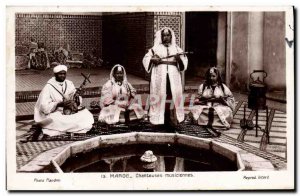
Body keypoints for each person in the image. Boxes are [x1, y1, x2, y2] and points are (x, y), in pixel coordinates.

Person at [142, 27, 188, 127]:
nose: (166, 37)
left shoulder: (177, 49)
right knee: (160, 96)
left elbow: (183, 65)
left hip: (173, 79)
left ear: (171, 36)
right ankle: (158, 120)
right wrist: (152, 60)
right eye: (164, 35)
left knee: (172, 97)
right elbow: (146, 59)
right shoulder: (155, 49)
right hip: (160, 79)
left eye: (168, 35)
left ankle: (172, 120)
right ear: (161, 37)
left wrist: (178, 59)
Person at [34, 64, 94, 137]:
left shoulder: (69, 83)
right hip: (56, 111)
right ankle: (73, 128)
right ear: (55, 74)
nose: (62, 76)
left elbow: (74, 96)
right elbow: (44, 106)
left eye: (64, 74)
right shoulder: (49, 86)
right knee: (56, 120)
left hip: (69, 110)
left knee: (86, 115)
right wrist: (59, 104)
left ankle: (70, 128)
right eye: (60, 74)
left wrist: (77, 97)